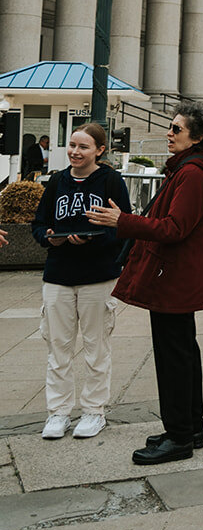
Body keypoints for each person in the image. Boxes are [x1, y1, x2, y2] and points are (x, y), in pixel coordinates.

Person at [86, 103, 203, 465]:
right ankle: (189, 429)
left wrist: (123, 221)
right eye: (170, 127)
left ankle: (180, 436)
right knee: (181, 355)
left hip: (176, 280)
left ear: (196, 137)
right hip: (178, 278)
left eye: (176, 129)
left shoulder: (193, 175)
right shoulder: (188, 171)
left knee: (174, 359)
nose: (169, 133)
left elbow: (173, 228)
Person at [31, 122, 132, 440]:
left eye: (83, 146)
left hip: (97, 276)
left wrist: (91, 240)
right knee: (57, 348)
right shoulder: (58, 180)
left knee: (95, 348)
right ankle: (58, 412)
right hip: (59, 274)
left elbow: (123, 227)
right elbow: (39, 223)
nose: (75, 151)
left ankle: (93, 411)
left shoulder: (111, 181)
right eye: (73, 145)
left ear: (100, 150)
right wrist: (50, 239)